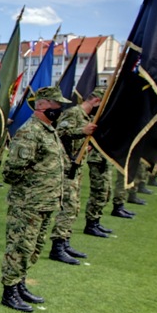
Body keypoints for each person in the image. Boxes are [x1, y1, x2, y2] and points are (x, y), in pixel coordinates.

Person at [0, 85, 72, 313]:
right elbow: (13, 169)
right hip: (28, 203)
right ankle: (9, 290)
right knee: (20, 247)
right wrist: (28, 188)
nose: (60, 108)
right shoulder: (30, 131)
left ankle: (20, 284)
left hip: (45, 201)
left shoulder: (49, 130)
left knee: (33, 247)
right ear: (42, 105)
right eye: (56, 104)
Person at [51, 87, 102, 250]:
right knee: (68, 205)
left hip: (77, 164)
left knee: (74, 205)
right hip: (67, 166)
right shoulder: (74, 113)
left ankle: (65, 241)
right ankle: (58, 245)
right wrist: (82, 131)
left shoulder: (86, 116)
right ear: (96, 101)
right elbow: (59, 133)